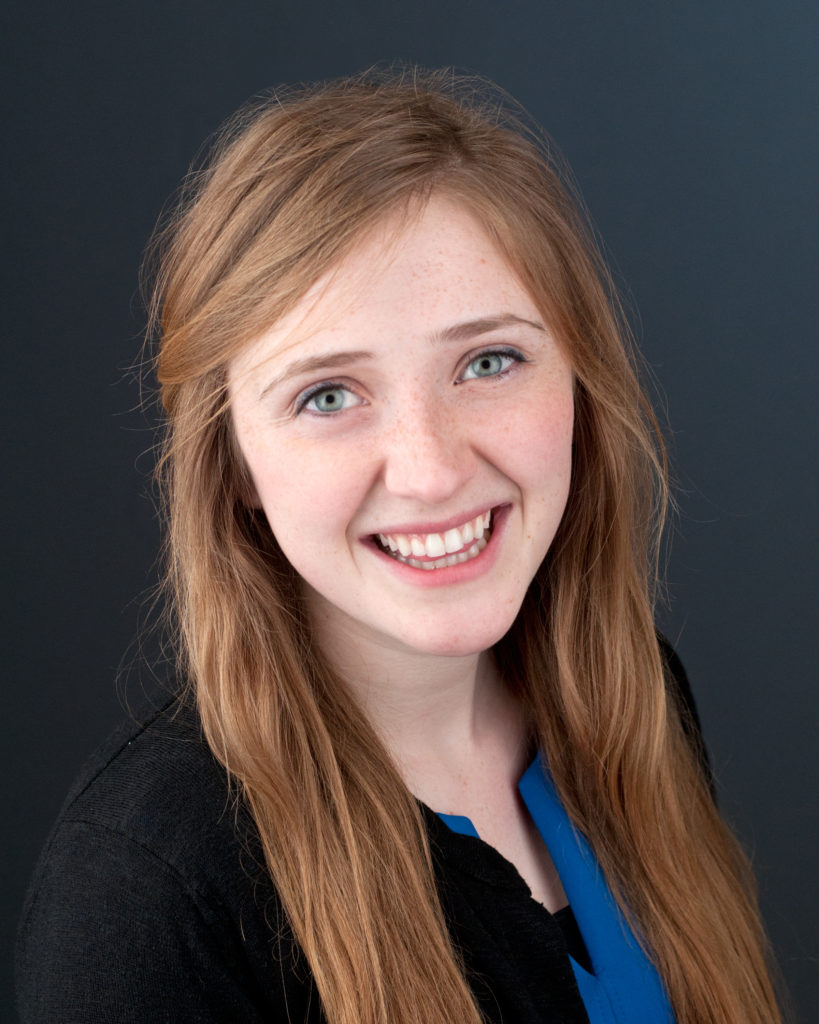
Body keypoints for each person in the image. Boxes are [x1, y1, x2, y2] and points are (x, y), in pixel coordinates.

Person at [17, 68, 782, 1023]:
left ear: (580, 382)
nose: (429, 471)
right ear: (234, 463)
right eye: (328, 395)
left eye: (488, 362)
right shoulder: (148, 894)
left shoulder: (635, 698)